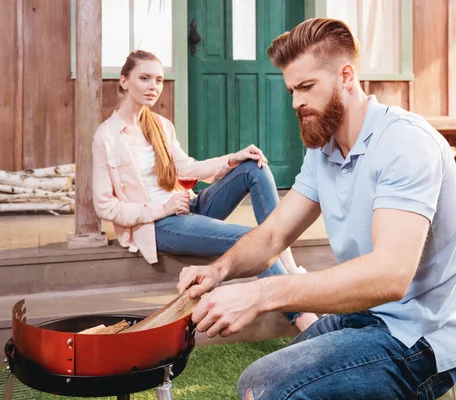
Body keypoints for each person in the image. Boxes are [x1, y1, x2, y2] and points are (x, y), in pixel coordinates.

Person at [176, 18, 456, 399]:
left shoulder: (405, 144)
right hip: (364, 315)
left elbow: (390, 275)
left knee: (275, 392)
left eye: (306, 87)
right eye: (291, 90)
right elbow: (273, 234)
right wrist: (218, 270)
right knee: (253, 383)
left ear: (346, 76)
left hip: (418, 339)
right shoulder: (324, 151)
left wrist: (263, 294)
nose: (297, 102)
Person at [91, 50, 318, 332]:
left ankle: (290, 267)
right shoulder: (107, 136)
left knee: (252, 167)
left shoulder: (161, 126)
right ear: (124, 81)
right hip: (160, 224)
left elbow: (186, 167)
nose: (153, 87)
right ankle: (301, 317)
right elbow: (105, 206)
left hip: (188, 205)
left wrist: (231, 159)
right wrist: (163, 208)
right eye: (145, 78)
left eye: (159, 80)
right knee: (251, 239)